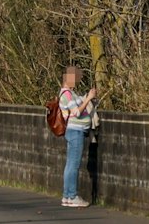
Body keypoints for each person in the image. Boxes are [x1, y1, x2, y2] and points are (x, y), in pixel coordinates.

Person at [59, 66, 96, 207]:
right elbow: (76, 112)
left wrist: (86, 97)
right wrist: (89, 99)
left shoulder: (70, 93)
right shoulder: (67, 94)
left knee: (70, 165)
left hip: (74, 131)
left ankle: (67, 196)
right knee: (73, 165)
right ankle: (72, 196)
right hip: (75, 132)